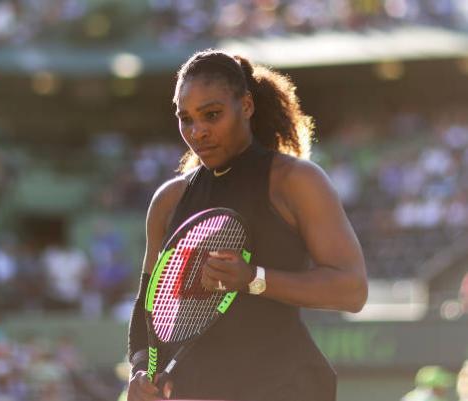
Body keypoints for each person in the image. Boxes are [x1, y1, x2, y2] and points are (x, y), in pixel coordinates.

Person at [127, 49, 368, 401]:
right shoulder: (169, 200)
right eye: (186, 119)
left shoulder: (295, 181)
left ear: (248, 106)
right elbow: (146, 307)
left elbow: (352, 290)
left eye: (212, 115)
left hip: (284, 389)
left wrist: (254, 279)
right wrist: (138, 369)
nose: (198, 131)